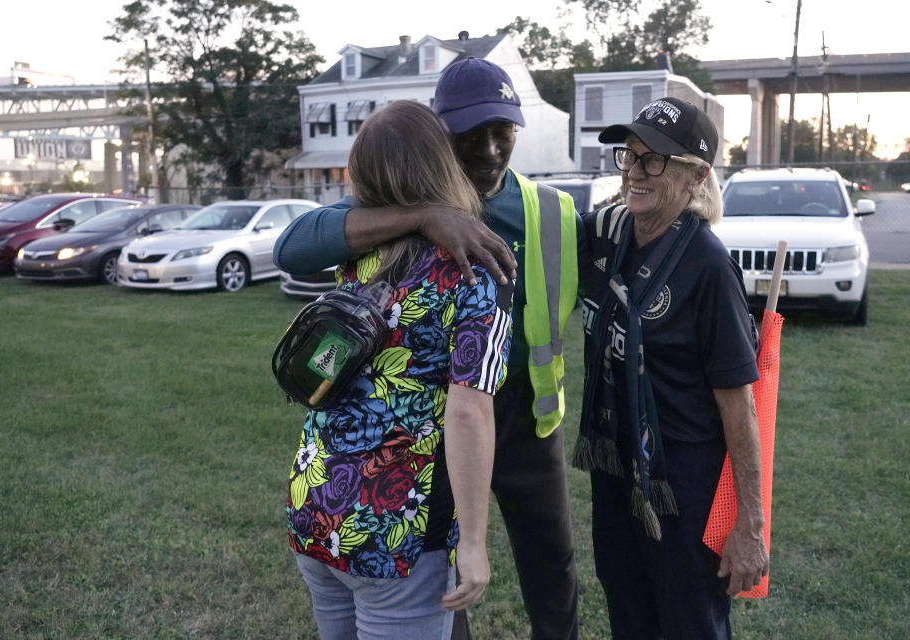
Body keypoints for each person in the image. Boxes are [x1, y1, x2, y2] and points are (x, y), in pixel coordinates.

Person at [276, 58, 582, 640]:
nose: (492, 150)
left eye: (504, 133)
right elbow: (292, 245)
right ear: (439, 142)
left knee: (549, 565)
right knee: (437, 579)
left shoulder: (550, 211)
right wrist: (426, 215)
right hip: (427, 441)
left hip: (513, 421)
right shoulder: (388, 223)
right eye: (472, 137)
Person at [285, 100, 514, 639]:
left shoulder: (357, 258)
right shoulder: (474, 271)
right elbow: (469, 414)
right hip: (398, 534)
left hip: (316, 505)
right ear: (443, 164)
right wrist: (474, 545)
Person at [574, 97, 769, 639]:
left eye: (653, 160)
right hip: (616, 472)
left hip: (683, 485)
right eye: (629, 156)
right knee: (629, 618)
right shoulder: (611, 238)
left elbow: (739, 405)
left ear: (696, 176)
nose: (634, 172)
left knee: (689, 624)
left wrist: (750, 524)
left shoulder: (707, 266)